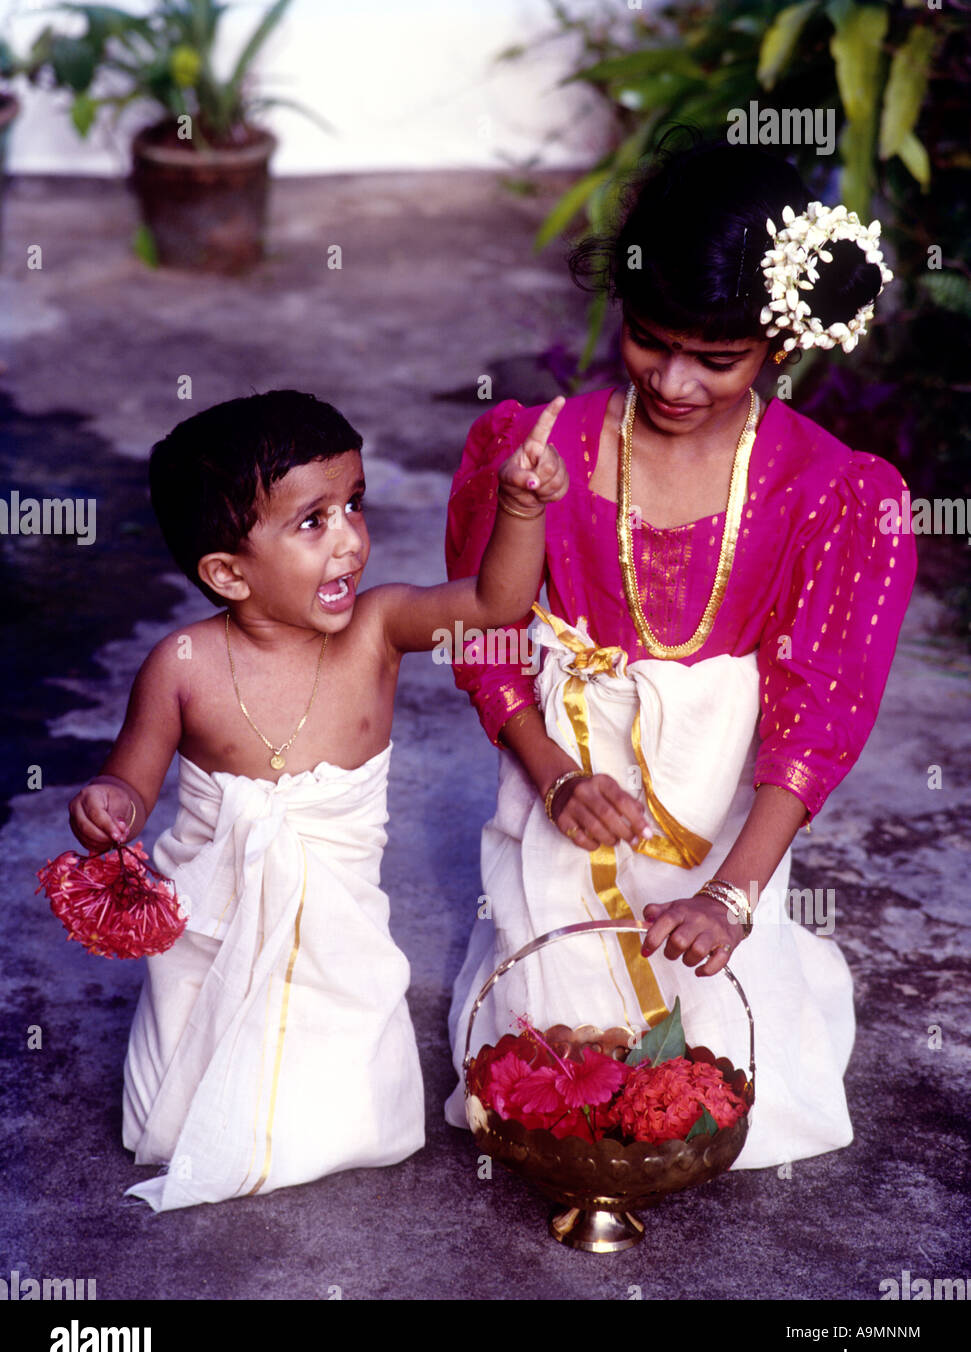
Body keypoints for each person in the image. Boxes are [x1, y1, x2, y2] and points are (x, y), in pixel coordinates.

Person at [443, 141, 917, 1169]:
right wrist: (557, 776)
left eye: (717, 358)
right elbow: (485, 643)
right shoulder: (535, 453)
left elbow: (819, 711)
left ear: (777, 344)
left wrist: (731, 895)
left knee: (730, 1083)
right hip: (560, 808)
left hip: (722, 828)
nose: (672, 381)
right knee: (549, 1072)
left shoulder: (829, 493)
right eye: (649, 343)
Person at [67, 387, 567, 1211]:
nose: (350, 542)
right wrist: (106, 806)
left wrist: (519, 505)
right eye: (313, 521)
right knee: (186, 1064)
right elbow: (130, 782)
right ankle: (201, 1118)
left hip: (341, 924)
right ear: (226, 572)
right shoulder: (183, 664)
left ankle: (334, 1125)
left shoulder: (379, 630)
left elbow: (494, 606)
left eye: (355, 506)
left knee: (342, 1049)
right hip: (208, 923)